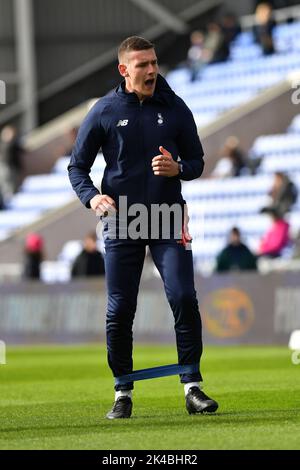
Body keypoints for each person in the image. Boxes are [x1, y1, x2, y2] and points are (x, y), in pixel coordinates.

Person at [68, 36, 218, 419]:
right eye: (142, 65)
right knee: (120, 311)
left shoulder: (176, 107)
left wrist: (179, 169)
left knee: (183, 297)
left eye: (154, 63)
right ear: (124, 70)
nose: (152, 70)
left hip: (168, 217)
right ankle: (123, 392)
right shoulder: (103, 110)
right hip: (122, 218)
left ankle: (192, 386)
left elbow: (197, 161)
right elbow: (77, 167)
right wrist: (92, 197)